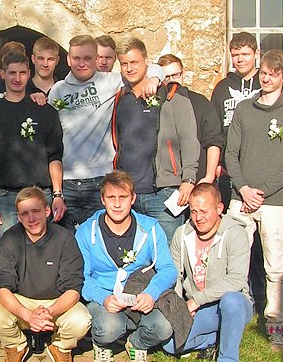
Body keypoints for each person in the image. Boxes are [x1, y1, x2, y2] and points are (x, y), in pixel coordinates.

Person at [224, 50, 283, 352]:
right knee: (235, 262)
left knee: (274, 266)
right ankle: (236, 317)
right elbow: (232, 152)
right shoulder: (244, 109)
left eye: (273, 73)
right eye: (264, 72)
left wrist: (263, 192)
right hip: (240, 199)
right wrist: (244, 189)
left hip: (273, 201)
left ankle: (275, 324)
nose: (266, 78)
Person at [49, 35, 164, 230]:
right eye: (76, 58)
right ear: (68, 59)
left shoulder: (110, 81)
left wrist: (154, 77)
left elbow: (152, 67)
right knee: (67, 245)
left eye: (87, 58)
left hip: (99, 179)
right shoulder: (58, 91)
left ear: (96, 58)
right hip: (67, 181)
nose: (81, 63)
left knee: (98, 240)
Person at [76, 170, 177, 362]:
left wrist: (151, 293)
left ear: (133, 198)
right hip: (104, 298)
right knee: (109, 328)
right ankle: (102, 343)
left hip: (139, 296)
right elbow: (80, 277)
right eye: (111, 197)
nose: (117, 204)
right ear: (103, 200)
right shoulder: (86, 231)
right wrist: (103, 298)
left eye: (123, 197)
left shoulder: (150, 228)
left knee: (164, 328)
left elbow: (168, 269)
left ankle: (136, 344)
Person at [0, 187, 90, 362]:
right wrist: (28, 315)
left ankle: (61, 347)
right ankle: (16, 346)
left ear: (47, 211)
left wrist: (49, 312)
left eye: (36, 211)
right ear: (18, 217)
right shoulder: (9, 239)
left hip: (56, 302)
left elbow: (73, 289)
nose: (31, 218)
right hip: (21, 301)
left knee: (81, 320)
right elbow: (1, 288)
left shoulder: (64, 238)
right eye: (25, 213)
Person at [162, 183, 253, 362]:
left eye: (204, 211)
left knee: (232, 300)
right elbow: (175, 275)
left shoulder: (235, 233)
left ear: (219, 209)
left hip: (232, 303)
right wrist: (179, 307)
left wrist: (196, 300)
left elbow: (237, 279)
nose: (198, 217)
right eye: (193, 211)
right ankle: (214, 338)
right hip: (201, 306)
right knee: (169, 344)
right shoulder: (182, 233)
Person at [113, 37, 200, 241]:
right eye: (124, 63)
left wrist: (188, 179)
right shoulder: (119, 99)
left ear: (146, 61)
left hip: (163, 193)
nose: (129, 68)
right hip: (128, 193)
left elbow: (188, 141)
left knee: (169, 260)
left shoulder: (172, 98)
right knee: (134, 260)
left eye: (134, 62)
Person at [0, 52, 65, 239]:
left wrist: (57, 195)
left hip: (41, 194)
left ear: (29, 73)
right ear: (2, 74)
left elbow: (54, 156)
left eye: (22, 73)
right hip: (5, 197)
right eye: (12, 73)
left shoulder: (45, 111)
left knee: (41, 253)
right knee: (9, 257)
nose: (17, 78)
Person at [210, 32, 266, 312]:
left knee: (259, 246)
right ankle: (235, 294)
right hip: (228, 171)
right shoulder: (222, 88)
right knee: (235, 236)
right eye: (235, 54)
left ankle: (260, 296)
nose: (240, 59)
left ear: (255, 54)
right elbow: (215, 129)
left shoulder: (264, 84)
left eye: (245, 53)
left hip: (256, 168)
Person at [157, 54, 224, 185]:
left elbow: (213, 141)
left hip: (198, 180)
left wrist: (209, 177)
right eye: (166, 77)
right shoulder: (157, 104)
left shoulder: (200, 102)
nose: (172, 81)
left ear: (183, 73)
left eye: (175, 75)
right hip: (168, 182)